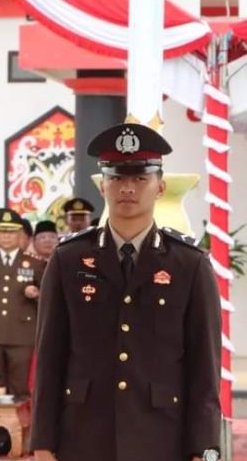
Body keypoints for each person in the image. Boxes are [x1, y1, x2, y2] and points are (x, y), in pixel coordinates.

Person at [32, 123, 221, 461]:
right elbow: (50, 358)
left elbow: (204, 368)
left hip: (162, 438)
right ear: (102, 185)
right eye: (117, 178)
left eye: (140, 178)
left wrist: (204, 451)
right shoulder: (68, 259)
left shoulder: (189, 264)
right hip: (84, 437)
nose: (128, 188)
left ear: (160, 187)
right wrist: (43, 445)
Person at [0, 209, 44, 454]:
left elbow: (49, 301)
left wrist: (36, 294)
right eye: (2, 232)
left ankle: (22, 438)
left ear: (21, 235)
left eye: (11, 232)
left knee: (20, 389)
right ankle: (0, 439)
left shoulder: (34, 263)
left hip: (22, 335)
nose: (6, 236)